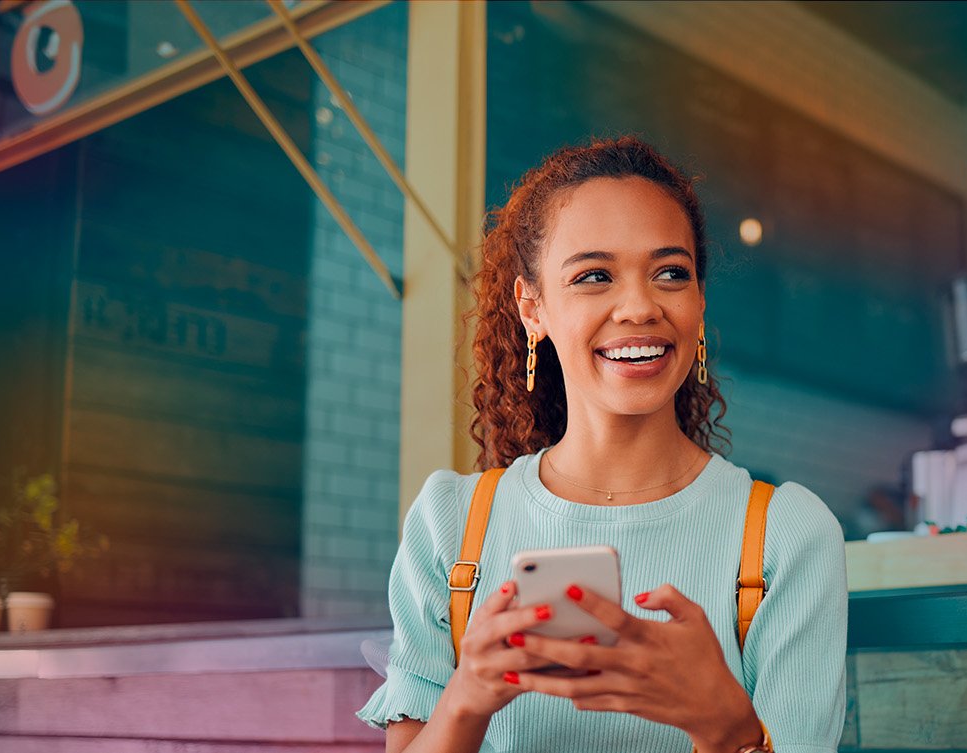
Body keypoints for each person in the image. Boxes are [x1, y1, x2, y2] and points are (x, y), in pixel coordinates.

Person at [355, 136, 847, 753]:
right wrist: (467, 697)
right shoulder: (450, 524)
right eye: (594, 276)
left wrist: (728, 729)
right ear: (532, 307)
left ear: (699, 301)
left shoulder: (787, 534)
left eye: (671, 273)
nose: (640, 306)